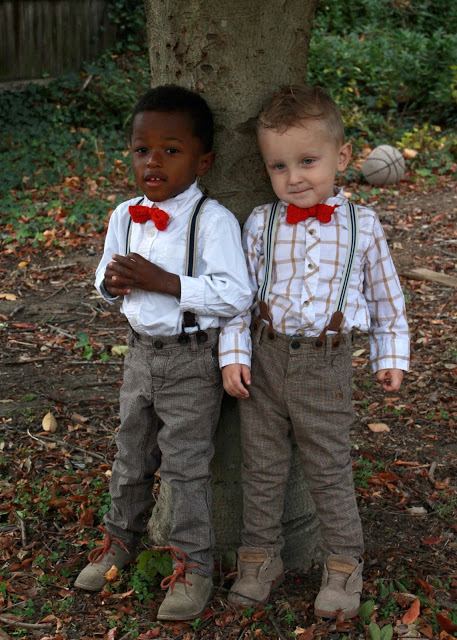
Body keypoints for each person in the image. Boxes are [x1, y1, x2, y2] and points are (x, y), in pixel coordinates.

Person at [219, 84, 410, 619]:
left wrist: (390, 357)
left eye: (307, 161)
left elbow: (386, 298)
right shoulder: (261, 223)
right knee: (262, 466)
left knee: (328, 468)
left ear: (341, 157)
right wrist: (233, 353)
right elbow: (239, 297)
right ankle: (260, 559)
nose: (294, 177)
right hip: (263, 357)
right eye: (279, 166)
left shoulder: (362, 225)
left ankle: (344, 565)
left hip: (327, 364)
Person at [74, 85, 252, 621]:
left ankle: (193, 565)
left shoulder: (212, 221)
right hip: (139, 355)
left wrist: (166, 281)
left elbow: (235, 294)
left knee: (184, 467)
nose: (154, 161)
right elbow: (104, 280)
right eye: (142, 149)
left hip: (192, 359)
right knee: (130, 452)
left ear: (204, 160)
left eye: (171, 150)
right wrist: (111, 283)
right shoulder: (124, 215)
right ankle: (120, 541)